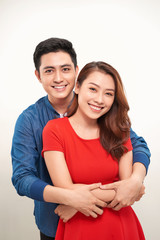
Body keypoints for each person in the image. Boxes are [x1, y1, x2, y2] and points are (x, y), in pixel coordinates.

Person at [11, 38, 150, 240]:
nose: (58, 78)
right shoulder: (30, 121)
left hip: (113, 221)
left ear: (76, 73)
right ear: (38, 76)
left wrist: (135, 181)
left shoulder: (98, 109)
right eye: (49, 71)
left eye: (65, 69)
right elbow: (22, 178)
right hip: (55, 222)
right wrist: (69, 200)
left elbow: (136, 146)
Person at [42, 61, 146, 239]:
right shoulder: (54, 130)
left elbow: (126, 190)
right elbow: (64, 188)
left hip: (120, 225)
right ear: (77, 87)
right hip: (78, 228)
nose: (99, 99)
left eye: (108, 94)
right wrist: (127, 188)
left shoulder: (120, 131)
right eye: (93, 89)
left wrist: (73, 203)